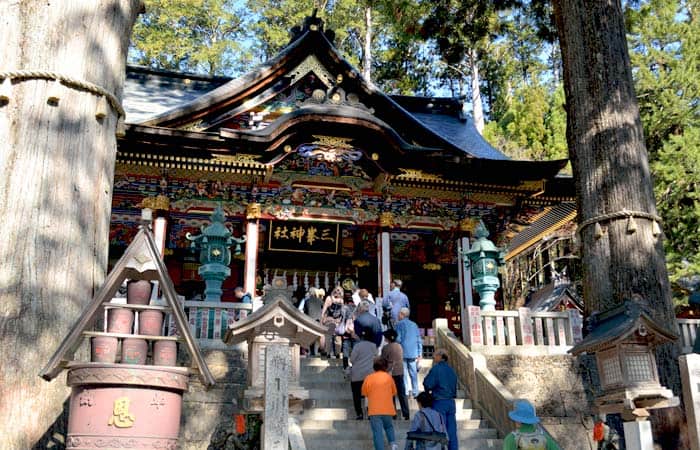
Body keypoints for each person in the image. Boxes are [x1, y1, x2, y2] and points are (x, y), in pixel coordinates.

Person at [423, 349, 458, 450]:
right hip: (451, 402)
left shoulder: (436, 369)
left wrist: (428, 391)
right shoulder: (451, 370)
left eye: (435, 355)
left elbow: (428, 383)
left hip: (439, 402)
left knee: (439, 430)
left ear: (440, 356)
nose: (433, 357)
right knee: (452, 431)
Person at [362, 357, 399, 450]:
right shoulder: (389, 378)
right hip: (387, 409)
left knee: (377, 432)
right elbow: (394, 392)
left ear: (374, 367)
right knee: (389, 427)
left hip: (374, 410)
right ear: (385, 367)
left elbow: (364, 393)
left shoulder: (369, 378)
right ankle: (393, 444)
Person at [381, 329, 410, 420]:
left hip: (390, 373)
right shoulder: (399, 346)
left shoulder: (386, 348)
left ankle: (393, 413)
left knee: (390, 394)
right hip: (400, 372)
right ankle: (406, 413)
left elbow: (383, 360)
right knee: (402, 394)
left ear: (387, 338)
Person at [350, 330, 378, 420]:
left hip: (357, 375)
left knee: (356, 395)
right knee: (370, 395)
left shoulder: (357, 346)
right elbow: (377, 358)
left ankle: (359, 413)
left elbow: (352, 360)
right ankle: (370, 412)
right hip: (370, 374)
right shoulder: (373, 346)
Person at [396, 307, 422, 398]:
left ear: (402, 315)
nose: (398, 315)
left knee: (404, 374)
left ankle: (406, 392)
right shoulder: (414, 325)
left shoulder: (399, 324)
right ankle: (415, 392)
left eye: (399, 314)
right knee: (413, 373)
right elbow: (419, 339)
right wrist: (420, 353)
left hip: (403, 352)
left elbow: (398, 338)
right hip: (413, 352)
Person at [321, 287, 344, 358]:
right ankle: (337, 353)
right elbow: (342, 312)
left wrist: (322, 319)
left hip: (329, 319)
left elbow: (324, 309)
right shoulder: (341, 300)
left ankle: (328, 353)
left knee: (329, 337)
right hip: (337, 321)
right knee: (337, 337)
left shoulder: (329, 298)